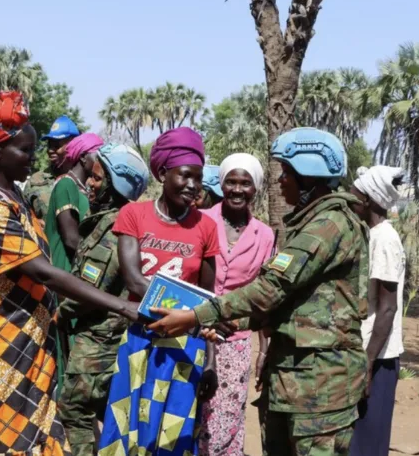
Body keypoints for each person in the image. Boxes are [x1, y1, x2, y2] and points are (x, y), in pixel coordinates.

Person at [0, 86, 143, 456]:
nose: (34, 158)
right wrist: (122, 306)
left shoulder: (14, 198)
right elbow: (42, 272)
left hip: (26, 337)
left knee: (31, 432)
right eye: (26, 150)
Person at [149, 128, 370, 456]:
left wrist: (195, 315)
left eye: (287, 173)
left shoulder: (330, 225)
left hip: (321, 388)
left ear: (309, 178)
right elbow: (289, 304)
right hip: (296, 379)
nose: (280, 181)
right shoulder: (309, 223)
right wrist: (232, 325)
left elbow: (272, 288)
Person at [98, 127, 221, 456]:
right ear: (163, 172)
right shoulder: (133, 215)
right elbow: (134, 281)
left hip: (185, 347)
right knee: (127, 428)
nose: (193, 185)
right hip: (140, 338)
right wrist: (184, 312)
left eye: (198, 177)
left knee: (172, 435)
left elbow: (208, 301)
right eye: (185, 175)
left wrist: (210, 361)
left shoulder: (207, 227)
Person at [57, 143, 151, 456]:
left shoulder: (113, 227)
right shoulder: (116, 220)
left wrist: (57, 312)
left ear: (115, 184)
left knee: (74, 408)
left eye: (97, 179)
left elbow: (90, 287)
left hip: (99, 339)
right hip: (107, 335)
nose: (90, 184)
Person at [198, 153, 275, 456]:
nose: (238, 189)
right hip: (195, 334)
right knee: (190, 415)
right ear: (222, 184)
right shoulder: (202, 221)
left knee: (225, 421)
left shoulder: (265, 236)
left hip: (235, 341)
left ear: (255, 188)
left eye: (245, 183)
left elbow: (267, 296)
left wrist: (265, 350)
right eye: (231, 181)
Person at [347, 166, 407, 456]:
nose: (349, 198)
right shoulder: (370, 234)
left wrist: (368, 365)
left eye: (354, 193)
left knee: (368, 444)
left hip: (378, 356)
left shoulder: (384, 238)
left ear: (369, 199)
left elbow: (387, 308)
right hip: (367, 352)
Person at [46, 131, 104, 271]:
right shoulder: (66, 184)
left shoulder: (84, 191)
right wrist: (99, 261)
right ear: (84, 157)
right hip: (62, 271)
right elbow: (71, 239)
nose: (101, 163)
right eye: (98, 157)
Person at [23, 115, 80, 219]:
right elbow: (22, 215)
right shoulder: (35, 181)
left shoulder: (86, 181)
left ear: (73, 145)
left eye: (57, 145)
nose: (50, 150)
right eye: (49, 145)